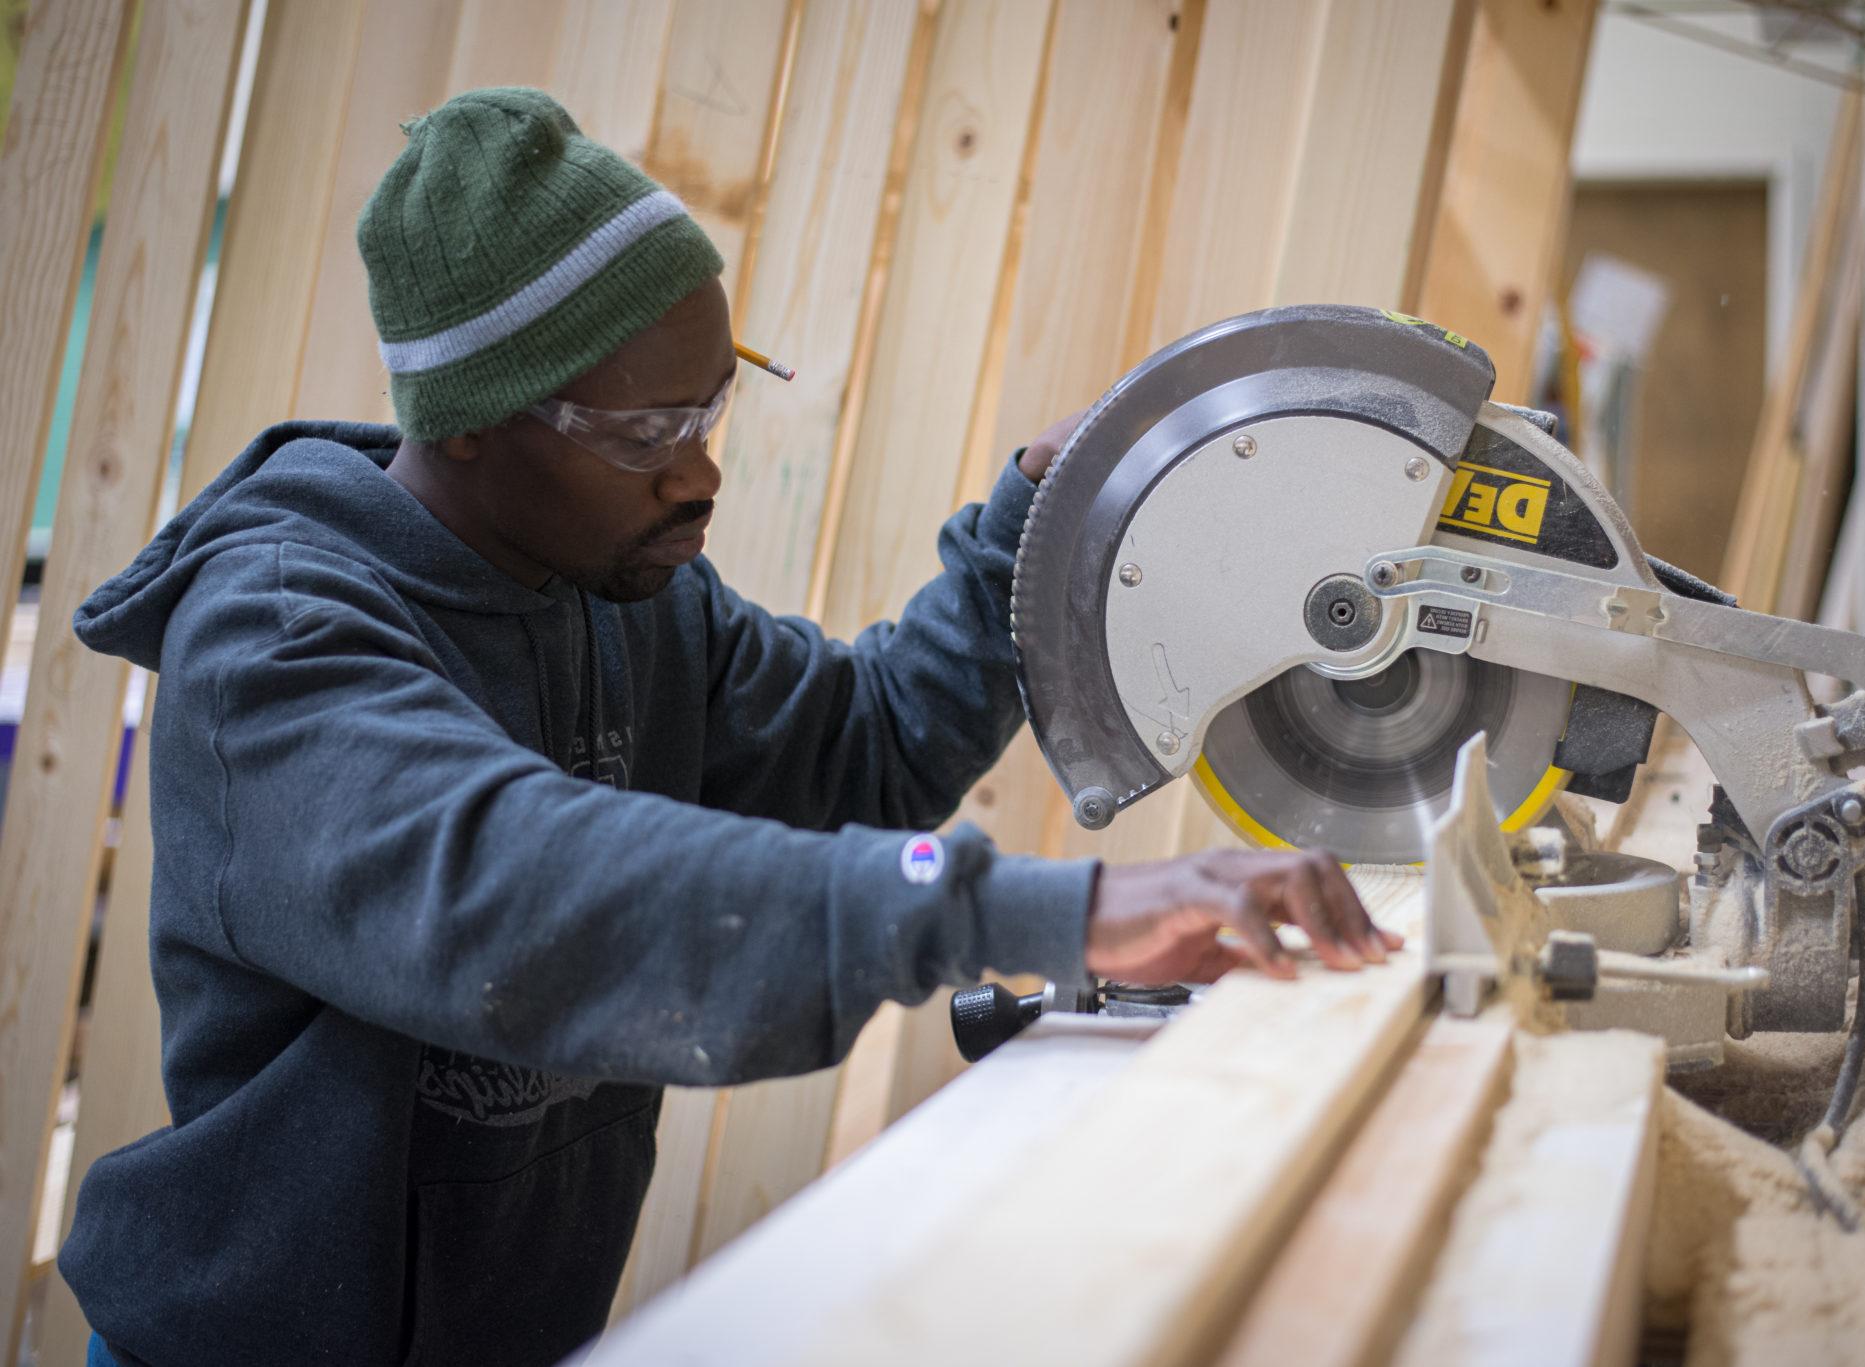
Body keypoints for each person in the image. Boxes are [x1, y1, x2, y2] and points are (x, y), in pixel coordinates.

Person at [60, 87, 1398, 1367]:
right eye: (647, 430)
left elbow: (862, 747)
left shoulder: (630, 597)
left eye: (711, 409)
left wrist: (1028, 529)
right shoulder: (279, 643)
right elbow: (537, 895)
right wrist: (1056, 905)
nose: (700, 473)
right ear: (470, 422)